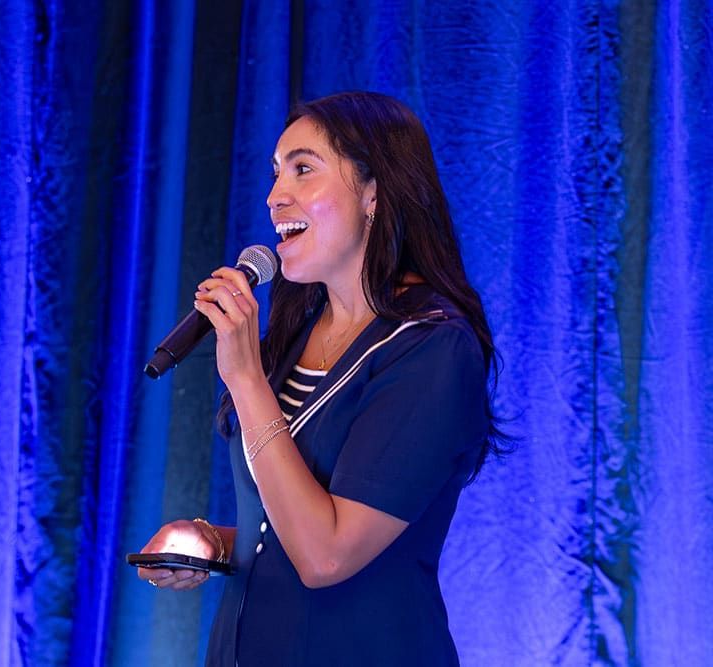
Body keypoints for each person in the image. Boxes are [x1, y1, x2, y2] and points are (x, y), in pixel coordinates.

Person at [137, 91, 508, 666]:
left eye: (303, 169)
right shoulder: (300, 328)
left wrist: (246, 379)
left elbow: (326, 555)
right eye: (275, 173)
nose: (274, 196)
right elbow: (282, 529)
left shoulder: (433, 347)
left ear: (374, 193)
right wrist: (211, 543)